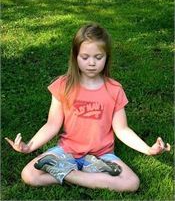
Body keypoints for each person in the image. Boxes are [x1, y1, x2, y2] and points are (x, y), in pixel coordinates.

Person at [5, 23, 171, 192]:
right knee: (29, 175)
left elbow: (122, 129)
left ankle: (67, 172)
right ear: (75, 56)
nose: (91, 63)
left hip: (102, 155)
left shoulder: (114, 89)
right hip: (67, 150)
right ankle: (89, 174)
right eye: (85, 57)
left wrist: (148, 149)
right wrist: (29, 146)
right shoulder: (63, 85)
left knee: (131, 182)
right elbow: (52, 124)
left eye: (98, 57)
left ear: (107, 57)